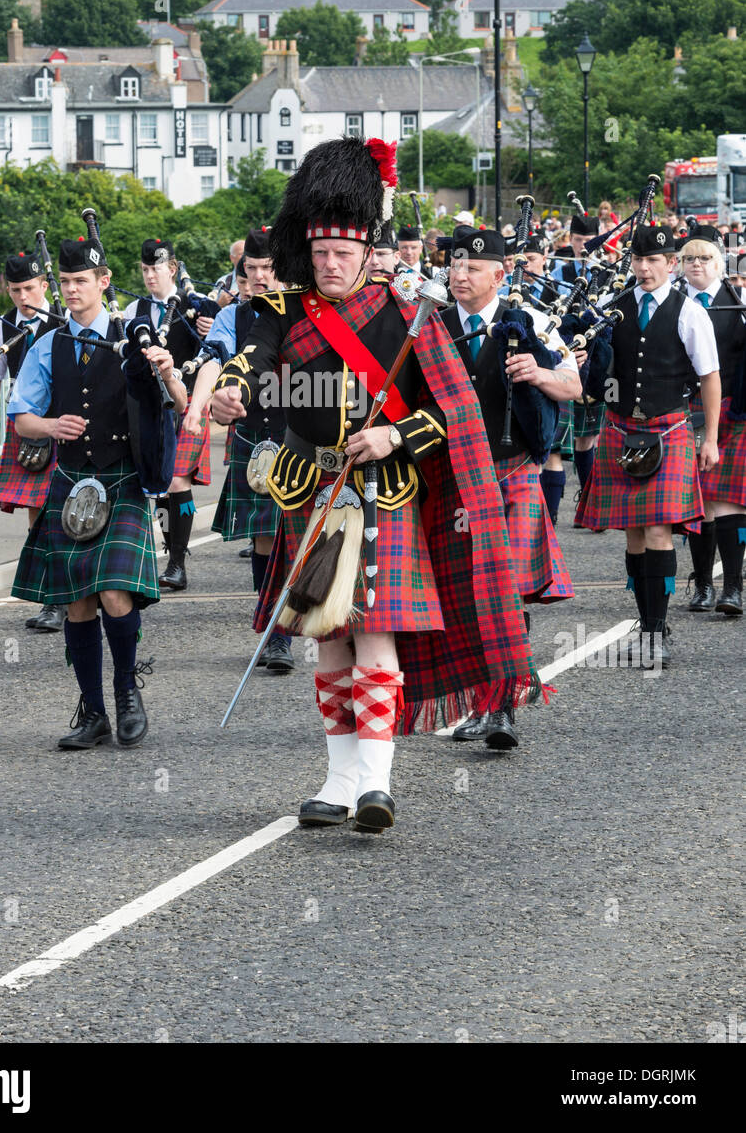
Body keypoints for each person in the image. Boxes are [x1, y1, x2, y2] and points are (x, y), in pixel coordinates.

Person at [211, 137, 536, 833]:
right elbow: (248, 360)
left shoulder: (411, 315)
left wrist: (393, 434)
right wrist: (229, 395)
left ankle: (375, 786)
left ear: (367, 251)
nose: (329, 266)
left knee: (376, 636)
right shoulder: (282, 309)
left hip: (386, 492)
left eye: (342, 255)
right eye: (320, 253)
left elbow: (455, 412)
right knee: (328, 640)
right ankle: (335, 781)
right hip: (309, 489)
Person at [8, 237, 186, 749]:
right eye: (64, 283)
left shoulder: (135, 335)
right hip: (72, 482)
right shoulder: (48, 344)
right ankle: (92, 711)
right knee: (77, 603)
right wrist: (48, 425)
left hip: (122, 477)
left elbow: (176, 400)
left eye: (80, 281)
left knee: (112, 591)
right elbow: (21, 418)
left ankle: (127, 690)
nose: (70, 291)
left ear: (103, 282)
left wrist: (168, 371)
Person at [440, 227, 578, 743]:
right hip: (450, 472)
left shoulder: (531, 322)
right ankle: (483, 700)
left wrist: (537, 374)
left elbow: (575, 385)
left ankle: (502, 708)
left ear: (499, 274)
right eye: (455, 266)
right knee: (465, 593)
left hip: (511, 468)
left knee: (504, 589)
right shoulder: (430, 322)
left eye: (472, 268)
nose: (460, 275)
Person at [575, 225, 721, 665]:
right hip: (620, 429)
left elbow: (710, 376)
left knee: (658, 529)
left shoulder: (689, 312)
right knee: (634, 534)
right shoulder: (613, 308)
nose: (644, 268)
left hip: (670, 429)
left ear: (670, 264)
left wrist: (709, 438)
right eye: (638, 260)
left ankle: (656, 630)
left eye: (654, 260)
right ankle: (645, 619)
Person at [186, 229, 293, 673]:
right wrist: (198, 407)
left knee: (304, 537)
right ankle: (274, 632)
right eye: (251, 271)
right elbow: (213, 359)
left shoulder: (309, 313)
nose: (260, 279)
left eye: (268, 270)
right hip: (258, 439)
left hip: (305, 437)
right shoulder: (235, 317)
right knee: (267, 537)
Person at [0, 249, 65, 632]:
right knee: (36, 514)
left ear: (44, 285)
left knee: (63, 512)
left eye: (29, 288)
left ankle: (72, 594)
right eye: (14, 290)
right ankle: (51, 599)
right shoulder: (2, 325)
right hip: (24, 427)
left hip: (63, 425)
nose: (22, 297)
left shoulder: (63, 320)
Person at [122, 238, 215, 593]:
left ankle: (178, 562)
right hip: (152, 406)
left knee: (178, 480)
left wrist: (209, 323)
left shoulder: (199, 307)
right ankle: (168, 548)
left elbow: (215, 351)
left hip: (189, 399)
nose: (149, 276)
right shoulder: (135, 312)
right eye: (144, 269)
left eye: (155, 268)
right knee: (160, 482)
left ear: (172, 268)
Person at [676, 227, 746, 615]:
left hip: (734, 409)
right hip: (685, 409)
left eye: (704, 258)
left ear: (720, 264)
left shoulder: (739, 302)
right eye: (689, 258)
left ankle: (732, 589)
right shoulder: (673, 303)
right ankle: (703, 584)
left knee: (729, 500)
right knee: (699, 501)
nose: (697, 264)